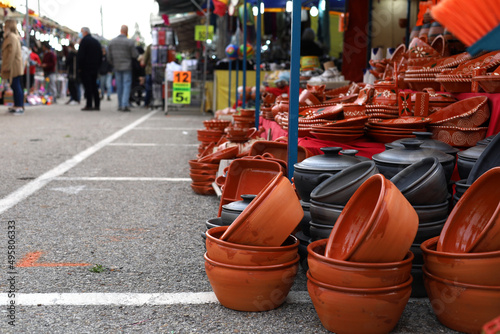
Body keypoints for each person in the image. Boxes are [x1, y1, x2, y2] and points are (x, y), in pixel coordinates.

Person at [108, 25, 138, 112]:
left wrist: (113, 63)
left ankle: (120, 104)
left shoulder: (112, 42)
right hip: (127, 66)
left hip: (116, 66)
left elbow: (109, 57)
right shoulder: (129, 42)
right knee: (126, 85)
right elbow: (135, 55)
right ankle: (125, 104)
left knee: (119, 86)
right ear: (127, 31)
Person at [1, 19, 24, 115]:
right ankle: (17, 105)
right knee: (15, 85)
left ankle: (19, 106)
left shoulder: (12, 37)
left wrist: (7, 66)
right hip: (14, 65)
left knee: (16, 85)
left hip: (14, 66)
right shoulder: (12, 37)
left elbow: (11, 54)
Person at [77, 27, 102, 111]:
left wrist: (79, 67)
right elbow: (100, 55)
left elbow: (81, 55)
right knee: (94, 86)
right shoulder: (96, 42)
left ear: (85, 32)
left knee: (88, 87)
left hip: (86, 68)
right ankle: (97, 104)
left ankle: (89, 104)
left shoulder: (84, 41)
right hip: (94, 68)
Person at [141, 44, 153, 108]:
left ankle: (147, 103)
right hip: (160, 71)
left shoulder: (150, 47)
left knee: (148, 88)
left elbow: (145, 60)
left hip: (149, 70)